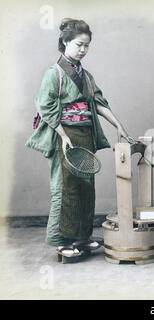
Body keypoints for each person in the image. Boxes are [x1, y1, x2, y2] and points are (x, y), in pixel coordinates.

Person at [26, 18, 132, 259]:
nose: (82, 50)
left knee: (86, 186)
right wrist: (62, 135)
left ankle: (82, 238)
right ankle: (62, 241)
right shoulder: (54, 74)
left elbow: (98, 103)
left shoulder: (86, 75)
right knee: (66, 188)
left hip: (85, 133)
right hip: (64, 134)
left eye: (86, 46)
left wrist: (119, 125)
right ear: (64, 42)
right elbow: (45, 105)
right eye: (78, 45)